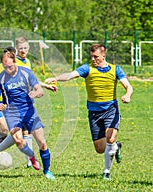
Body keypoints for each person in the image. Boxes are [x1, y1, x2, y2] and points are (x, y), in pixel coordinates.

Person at [45, 44, 133, 180]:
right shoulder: (87, 69)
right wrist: (56, 78)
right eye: (91, 56)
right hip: (93, 112)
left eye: (96, 57)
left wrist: (127, 95)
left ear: (104, 56)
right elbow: (70, 75)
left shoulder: (116, 70)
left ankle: (106, 172)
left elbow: (128, 85)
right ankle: (116, 146)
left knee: (109, 138)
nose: (93, 59)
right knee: (100, 149)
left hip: (111, 110)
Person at [0, 50, 56, 180]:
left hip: (29, 111)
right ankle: (31, 157)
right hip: (12, 113)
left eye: (10, 66)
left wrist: (35, 94)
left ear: (15, 62)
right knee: (19, 140)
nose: (7, 69)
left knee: (42, 143)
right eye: (4, 66)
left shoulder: (26, 73)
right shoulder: (1, 79)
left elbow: (39, 90)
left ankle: (47, 171)